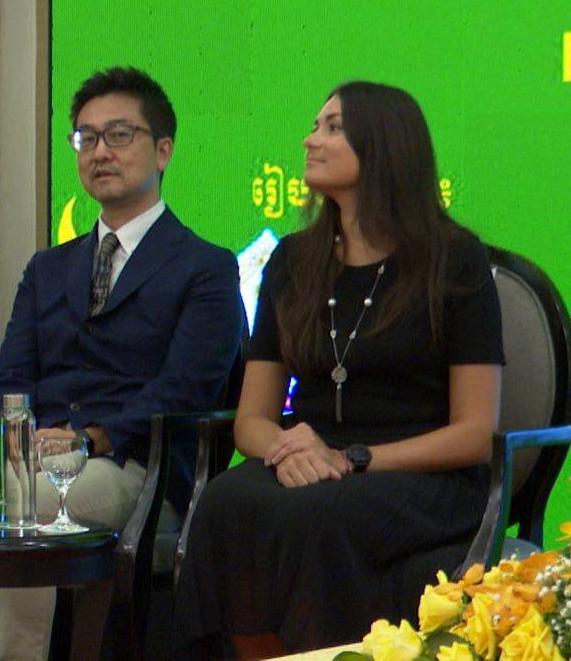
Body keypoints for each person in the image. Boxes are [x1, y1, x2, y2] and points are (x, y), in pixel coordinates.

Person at [174, 81, 503, 658]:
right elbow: (251, 419)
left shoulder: (455, 260)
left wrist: (353, 458)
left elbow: (474, 433)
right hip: (310, 457)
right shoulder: (293, 261)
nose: (310, 140)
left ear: (383, 146)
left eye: (332, 128)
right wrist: (288, 451)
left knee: (316, 514)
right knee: (225, 500)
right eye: (314, 125)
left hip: (421, 471)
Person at [0, 66, 244, 660]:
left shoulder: (205, 267)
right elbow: (8, 376)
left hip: (133, 466)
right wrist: (9, 434)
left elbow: (186, 389)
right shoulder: (47, 268)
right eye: (86, 138)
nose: (100, 152)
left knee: (23, 506)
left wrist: (87, 439)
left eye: (119, 135)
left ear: (162, 150)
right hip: (30, 458)